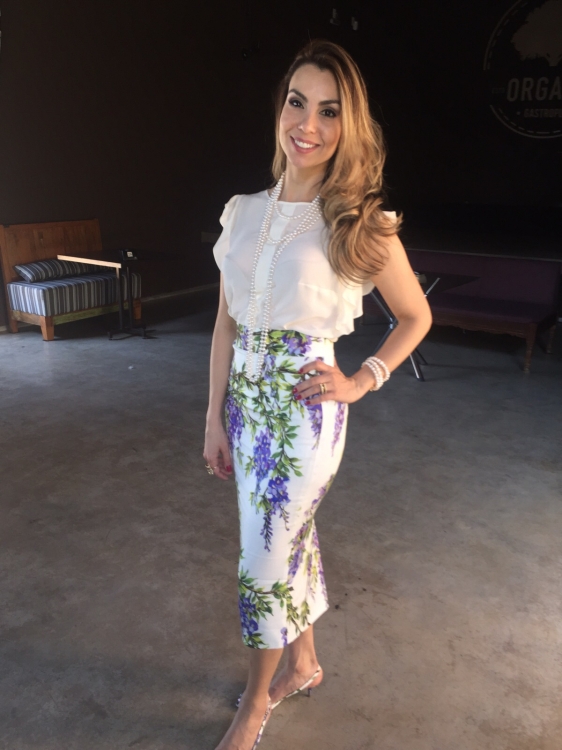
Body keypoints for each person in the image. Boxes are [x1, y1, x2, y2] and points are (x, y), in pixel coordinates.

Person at [204, 39, 431, 750]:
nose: (308, 124)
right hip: (244, 409)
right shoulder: (242, 212)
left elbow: (415, 315)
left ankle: (255, 702)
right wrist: (213, 416)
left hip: (306, 417)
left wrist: (363, 379)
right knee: (288, 541)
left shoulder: (358, 220)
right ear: (281, 108)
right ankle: (302, 664)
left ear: (348, 124)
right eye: (297, 102)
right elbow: (225, 322)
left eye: (329, 111)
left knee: (264, 558)